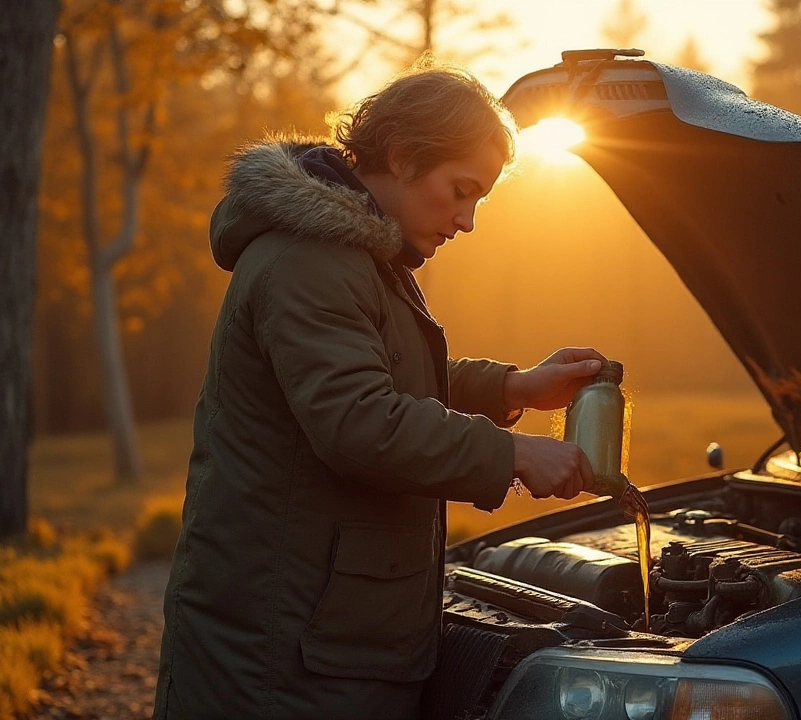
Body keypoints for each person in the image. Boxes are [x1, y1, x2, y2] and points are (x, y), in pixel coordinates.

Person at [153, 62, 602, 720]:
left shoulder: (358, 252)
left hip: (324, 636)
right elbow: (359, 420)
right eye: (460, 190)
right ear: (400, 156)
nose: (467, 219)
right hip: (281, 655)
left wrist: (515, 385)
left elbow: (387, 373)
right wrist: (512, 454)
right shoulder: (310, 258)